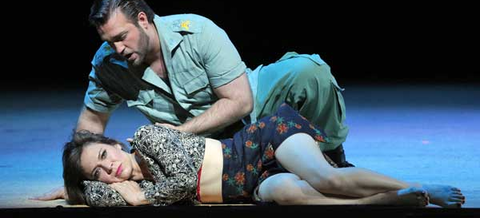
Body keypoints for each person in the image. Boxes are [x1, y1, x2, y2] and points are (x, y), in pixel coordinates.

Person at [34, 0, 352, 201]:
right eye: (108, 41)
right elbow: (90, 124)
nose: (117, 48)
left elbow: (240, 101)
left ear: (143, 20)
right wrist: (75, 180)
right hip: (209, 148)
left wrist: (179, 134)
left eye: (121, 37)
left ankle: (331, 156)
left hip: (251, 108)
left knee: (308, 71)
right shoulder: (109, 64)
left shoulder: (197, 31)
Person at [62, 103, 465, 208]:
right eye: (98, 173)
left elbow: (185, 181)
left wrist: (144, 196)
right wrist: (74, 190)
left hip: (260, 144)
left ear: (114, 143)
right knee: (290, 195)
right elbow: (95, 195)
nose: (108, 168)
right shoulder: (122, 187)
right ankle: (381, 203)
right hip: (250, 186)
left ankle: (419, 188)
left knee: (328, 180)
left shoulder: (146, 137)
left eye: (102, 154)